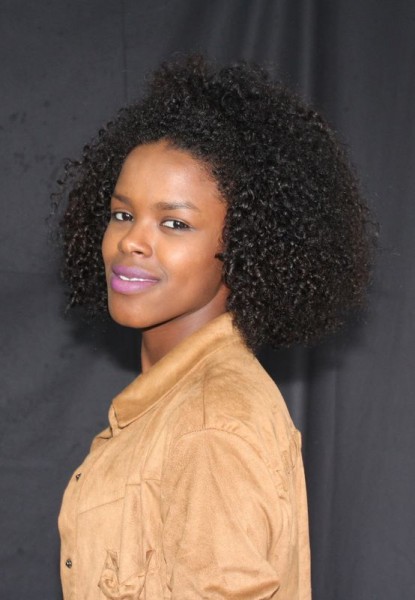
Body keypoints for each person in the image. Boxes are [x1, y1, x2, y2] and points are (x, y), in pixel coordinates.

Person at [56, 55, 373, 599]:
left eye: (174, 223)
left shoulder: (209, 426)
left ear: (245, 244)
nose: (132, 241)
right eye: (123, 214)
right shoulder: (177, 405)